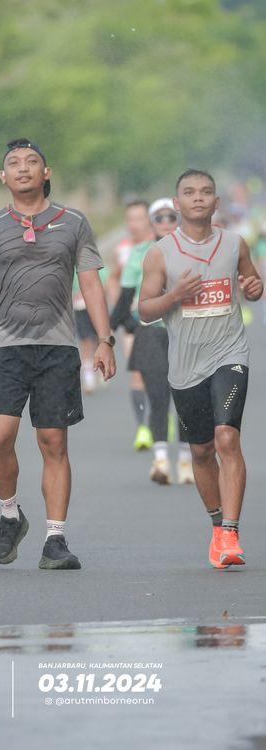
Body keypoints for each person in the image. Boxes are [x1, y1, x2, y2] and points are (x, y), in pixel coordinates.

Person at [0, 137, 115, 570]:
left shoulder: (73, 221)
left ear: (46, 173)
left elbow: (91, 283)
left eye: (31, 162)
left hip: (57, 346)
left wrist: (104, 340)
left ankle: (55, 539)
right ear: (3, 176)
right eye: (14, 163)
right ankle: (10, 516)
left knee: (53, 441)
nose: (23, 168)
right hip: (5, 346)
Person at [139, 169, 263, 568]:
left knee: (227, 437)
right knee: (202, 449)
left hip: (230, 353)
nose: (198, 198)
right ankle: (216, 525)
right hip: (186, 364)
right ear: (177, 204)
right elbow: (144, 310)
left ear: (216, 202)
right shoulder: (160, 253)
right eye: (189, 192)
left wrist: (255, 287)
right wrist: (175, 294)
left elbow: (252, 283)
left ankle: (231, 532)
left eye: (206, 192)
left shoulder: (234, 243)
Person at [110, 198, 194, 485]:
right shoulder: (139, 253)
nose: (166, 223)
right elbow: (124, 299)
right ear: (152, 222)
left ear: (179, 219)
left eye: (172, 217)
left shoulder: (193, 250)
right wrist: (112, 332)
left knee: (186, 400)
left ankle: (185, 461)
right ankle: (161, 461)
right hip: (152, 334)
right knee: (158, 398)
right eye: (160, 218)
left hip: (187, 334)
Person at [108, 201, 155, 451]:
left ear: (149, 220)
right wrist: (120, 306)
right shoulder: (124, 249)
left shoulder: (160, 246)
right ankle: (143, 428)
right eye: (130, 219)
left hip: (159, 319)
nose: (134, 224)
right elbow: (114, 277)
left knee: (162, 373)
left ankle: (162, 416)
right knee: (137, 372)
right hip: (132, 320)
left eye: (139, 218)